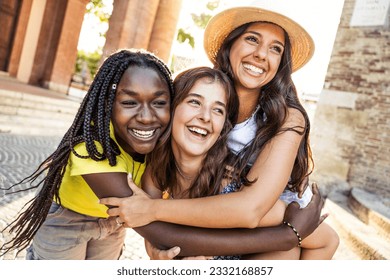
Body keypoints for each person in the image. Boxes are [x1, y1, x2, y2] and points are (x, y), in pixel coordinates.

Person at [100, 6, 339, 259]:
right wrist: (157, 249)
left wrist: (154, 209)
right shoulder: (200, 89)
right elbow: (155, 201)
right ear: (229, 44)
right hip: (216, 209)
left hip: (273, 216)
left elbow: (251, 209)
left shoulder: (285, 117)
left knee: (291, 251)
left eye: (275, 48)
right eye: (252, 39)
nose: (261, 54)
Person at [0, 48, 174, 259]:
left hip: (114, 223)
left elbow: (150, 207)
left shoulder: (163, 141)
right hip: (67, 220)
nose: (146, 117)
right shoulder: (90, 144)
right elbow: (147, 220)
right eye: (129, 102)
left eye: (159, 103)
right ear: (109, 104)